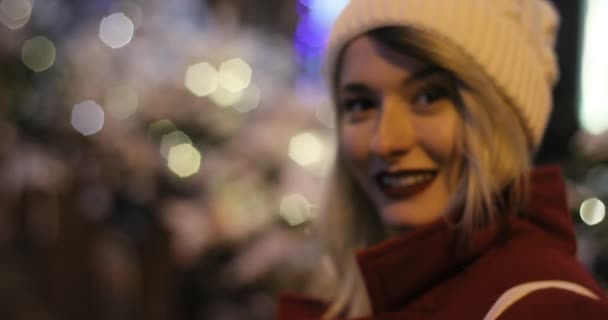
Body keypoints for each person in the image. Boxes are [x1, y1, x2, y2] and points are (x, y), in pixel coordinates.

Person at [276, 0, 608, 319]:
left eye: (429, 96)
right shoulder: (370, 293)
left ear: (502, 118)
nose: (385, 142)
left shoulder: (547, 308)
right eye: (361, 104)